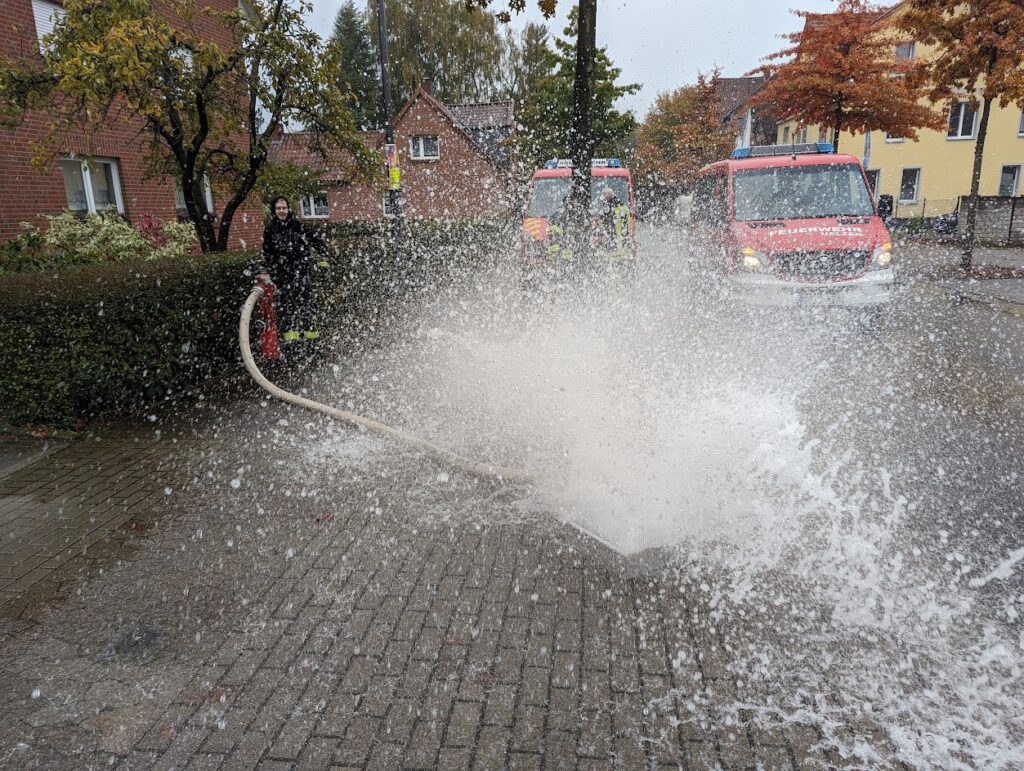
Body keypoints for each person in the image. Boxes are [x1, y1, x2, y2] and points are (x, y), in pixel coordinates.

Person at [257, 196, 330, 360]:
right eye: (278, 209)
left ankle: (313, 347)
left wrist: (324, 258)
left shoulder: (298, 226)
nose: (281, 211)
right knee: (288, 314)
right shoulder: (270, 230)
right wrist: (265, 270)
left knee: (308, 311)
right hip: (282, 279)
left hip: (302, 275)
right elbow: (266, 253)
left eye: (284, 208)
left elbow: (316, 241)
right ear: (274, 211)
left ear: (288, 209)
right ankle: (292, 349)